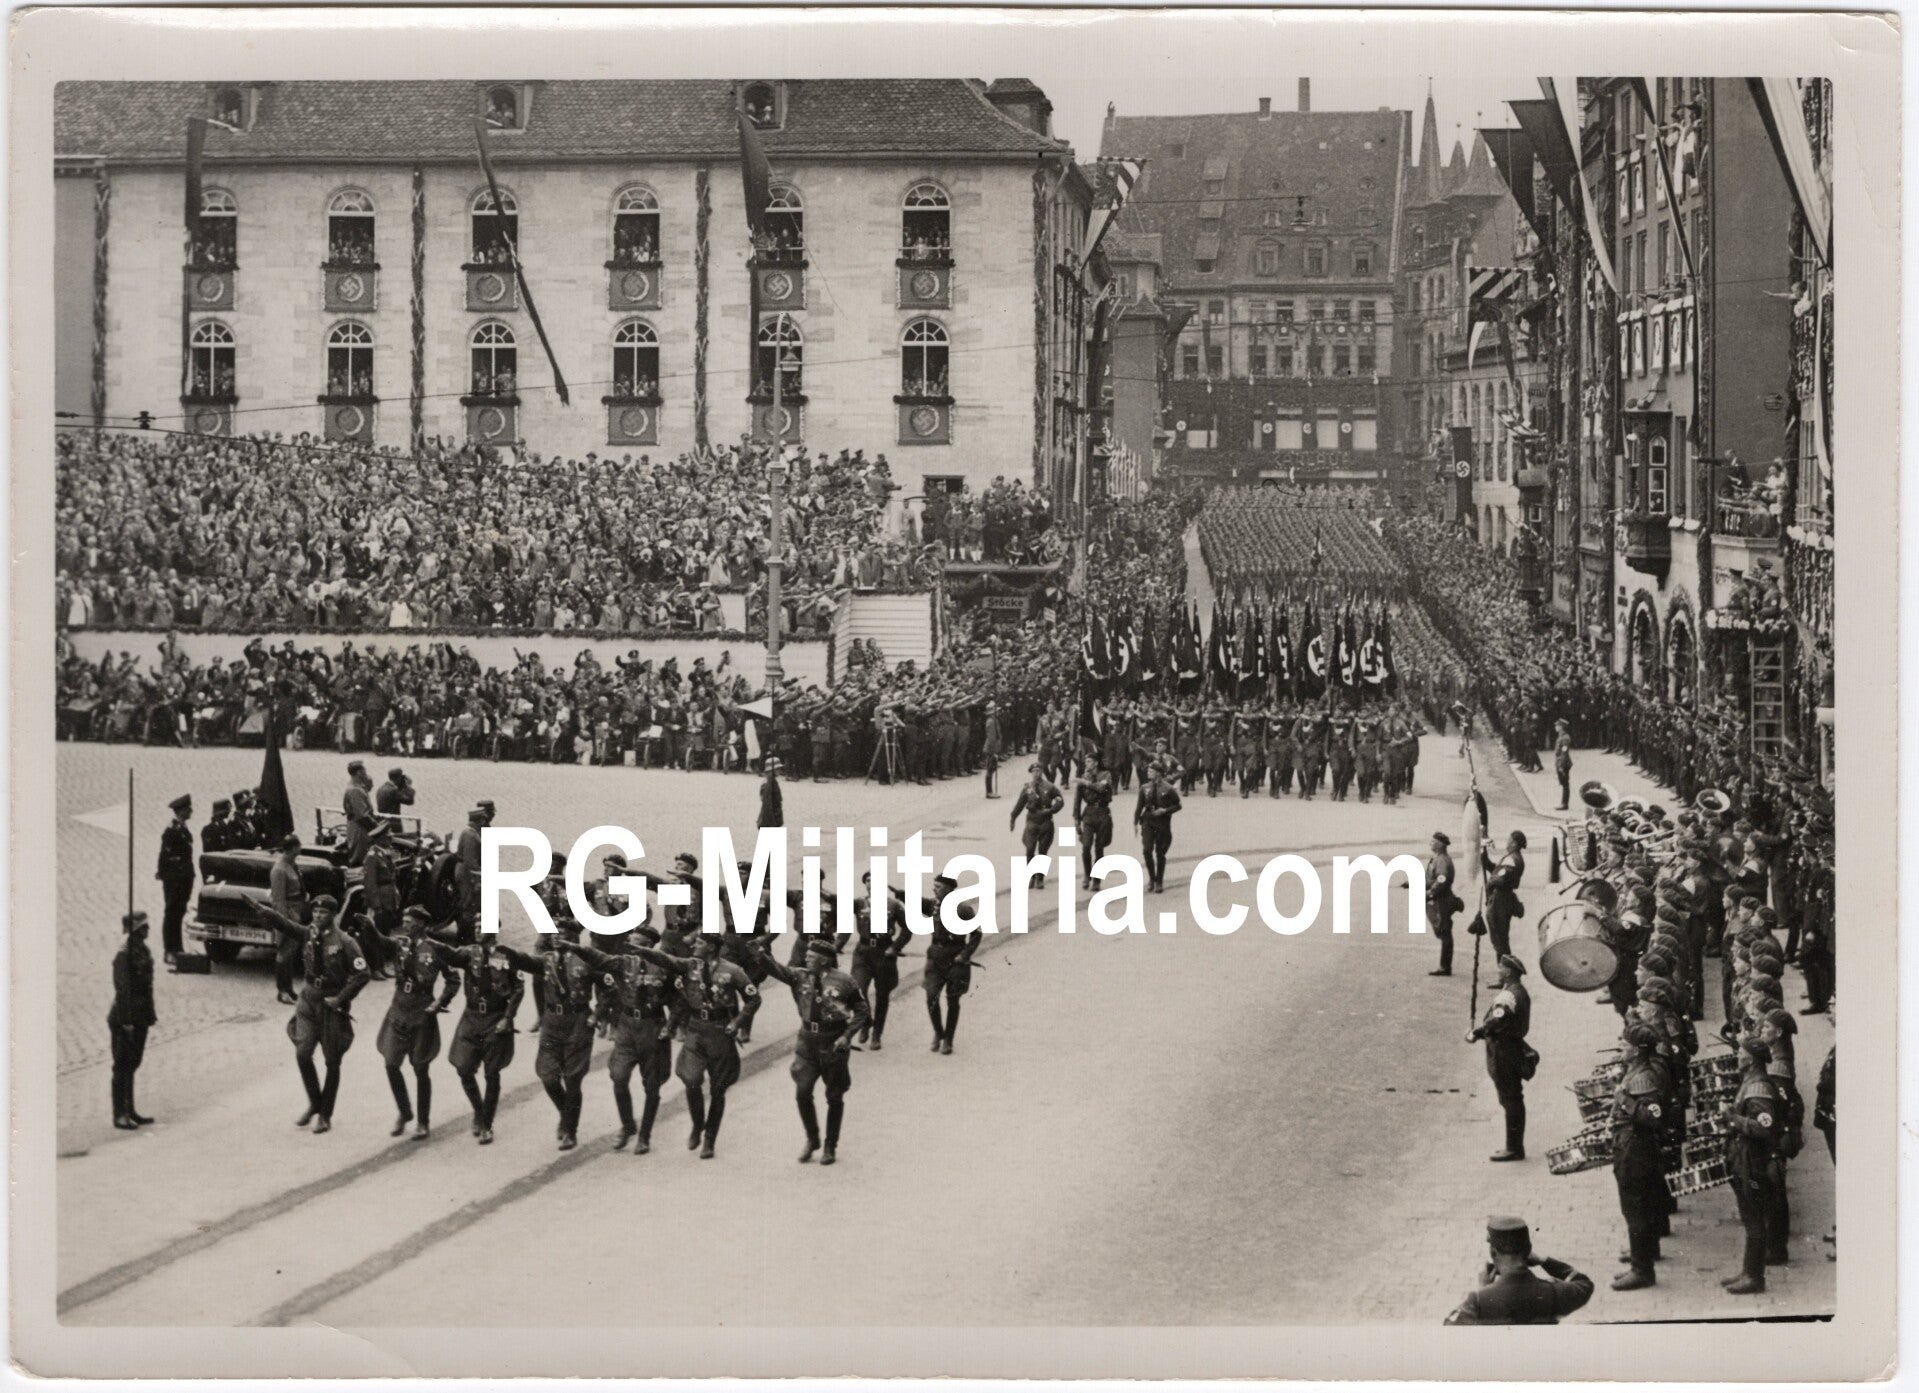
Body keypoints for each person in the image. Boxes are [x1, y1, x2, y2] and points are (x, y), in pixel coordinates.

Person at [248, 894, 370, 1134]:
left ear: (333, 915)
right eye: (314, 912)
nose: (317, 916)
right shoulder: (309, 934)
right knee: (303, 1053)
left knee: (332, 1060)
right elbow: (285, 924)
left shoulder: (345, 942)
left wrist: (341, 999)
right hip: (308, 999)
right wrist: (264, 911)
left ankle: (325, 1113)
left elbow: (362, 974)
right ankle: (315, 1102)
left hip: (331, 1002)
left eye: (323, 913)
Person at [633, 931, 761, 1158]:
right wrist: (643, 951)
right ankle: (697, 1123)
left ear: (711, 947)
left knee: (718, 1089)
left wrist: (738, 1022)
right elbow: (667, 960)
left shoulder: (732, 971)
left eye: (700, 943)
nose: (694, 945)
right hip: (695, 1029)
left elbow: (753, 998)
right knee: (690, 1079)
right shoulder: (690, 966)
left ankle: (709, 1139)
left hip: (720, 1031)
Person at [758, 935, 869, 1164]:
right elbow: (776, 969)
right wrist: (758, 953)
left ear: (824, 960)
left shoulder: (845, 981)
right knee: (802, 1091)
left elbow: (862, 1010)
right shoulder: (800, 977)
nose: (806, 958)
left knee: (834, 1096)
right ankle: (812, 1138)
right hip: (807, 1041)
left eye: (811, 956)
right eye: (806, 955)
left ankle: (830, 1145)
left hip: (833, 1041)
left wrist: (847, 1036)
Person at [563, 932, 676, 1154]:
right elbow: (599, 958)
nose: (631, 946)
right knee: (619, 1076)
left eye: (637, 943)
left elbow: (678, 999)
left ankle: (644, 1136)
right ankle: (627, 1126)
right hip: (626, 1027)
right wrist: (575, 947)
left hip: (652, 1026)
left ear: (650, 945)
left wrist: (671, 1026)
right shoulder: (623, 963)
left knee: (652, 1086)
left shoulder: (664, 966)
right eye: (631, 942)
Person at [500, 920, 601, 1150]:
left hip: (578, 1022)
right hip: (552, 1022)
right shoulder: (548, 960)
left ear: (574, 938)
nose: (556, 938)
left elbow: (608, 990)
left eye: (562, 934)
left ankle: (570, 1130)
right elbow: (527, 962)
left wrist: (599, 1014)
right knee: (548, 1076)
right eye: (555, 934)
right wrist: (510, 953)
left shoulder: (588, 960)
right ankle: (567, 1114)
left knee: (573, 1079)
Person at [364, 905, 460, 1140]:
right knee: (390, 1063)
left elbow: (453, 979)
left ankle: (423, 1121)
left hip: (421, 1010)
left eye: (409, 921)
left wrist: (439, 1003)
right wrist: (368, 927)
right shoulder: (401, 944)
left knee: (420, 1067)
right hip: (399, 1007)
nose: (405, 924)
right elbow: (382, 941)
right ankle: (404, 1111)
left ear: (421, 924)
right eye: (404, 920)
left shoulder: (436, 949)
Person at [444, 936, 526, 1145]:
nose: (477, 930)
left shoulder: (506, 955)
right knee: (463, 1068)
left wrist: (508, 1017)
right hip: (471, 1017)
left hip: (495, 1018)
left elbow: (518, 987)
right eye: (476, 926)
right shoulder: (469, 953)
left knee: (492, 1072)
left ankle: (487, 1124)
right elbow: (450, 955)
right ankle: (479, 1112)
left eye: (482, 926)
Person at [1609, 1021, 1672, 1290]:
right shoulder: (1636, 1071)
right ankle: (1644, 1253)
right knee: (1642, 1205)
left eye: (1625, 1043)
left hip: (1635, 1149)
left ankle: (1642, 1270)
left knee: (1634, 1208)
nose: (1621, 1046)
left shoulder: (1643, 1077)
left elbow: (1652, 1115)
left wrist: (1623, 1099)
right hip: (1633, 1146)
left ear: (1636, 1050)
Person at [1722, 1036, 1787, 1294]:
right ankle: (1748, 1271)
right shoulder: (1752, 1083)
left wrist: (1734, 1119)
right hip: (1748, 1159)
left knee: (1754, 1219)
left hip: (1754, 1162)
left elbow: (1763, 1127)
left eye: (1740, 1052)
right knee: (1751, 1218)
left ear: (1750, 1059)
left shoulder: (1758, 1089)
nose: (1738, 1056)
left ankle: (1754, 1277)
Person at [1443, 1217, 1593, 1324]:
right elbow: (1584, 1283)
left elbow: (1449, 1327)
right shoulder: (1554, 1292)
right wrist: (1544, 1261)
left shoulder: (1478, 1301)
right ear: (1528, 1250)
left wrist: (1484, 1291)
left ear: (1493, 1253)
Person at [1468, 954, 1532, 1161]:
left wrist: (1476, 1033)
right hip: (1510, 1048)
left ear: (1508, 972)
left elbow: (1495, 1022)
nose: (1498, 970)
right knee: (1512, 1097)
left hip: (1504, 1051)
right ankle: (1514, 1146)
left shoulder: (1508, 997)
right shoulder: (1516, 992)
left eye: (1501, 968)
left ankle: (1513, 1148)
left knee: (1510, 1098)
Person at [109, 910, 158, 1129]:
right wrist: (126, 1020)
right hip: (125, 1018)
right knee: (122, 1065)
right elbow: (122, 990)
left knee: (133, 1063)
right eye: (144, 927)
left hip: (140, 1016)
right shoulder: (124, 954)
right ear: (136, 930)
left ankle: (130, 1109)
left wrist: (149, 1015)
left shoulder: (141, 949)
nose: (148, 930)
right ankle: (119, 1113)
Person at [921, 875, 979, 1055]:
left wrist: (964, 955)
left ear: (948, 889)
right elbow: (916, 902)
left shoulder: (963, 909)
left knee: (953, 1000)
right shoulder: (934, 906)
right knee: (931, 997)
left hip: (956, 960)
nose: (934, 890)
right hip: (935, 958)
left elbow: (976, 934)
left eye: (937, 887)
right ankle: (939, 1032)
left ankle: (948, 1039)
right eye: (934, 886)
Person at [156, 793, 196, 966]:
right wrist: (168, 875)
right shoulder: (171, 831)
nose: (191, 811)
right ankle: (169, 951)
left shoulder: (182, 828)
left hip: (184, 878)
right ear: (181, 811)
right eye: (188, 809)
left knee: (179, 914)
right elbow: (164, 857)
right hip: (174, 879)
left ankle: (177, 948)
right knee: (171, 913)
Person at [268, 833, 307, 1004]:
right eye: (298, 846)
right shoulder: (279, 869)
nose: (300, 849)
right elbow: (278, 900)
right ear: (292, 848)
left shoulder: (292, 865)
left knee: (291, 953)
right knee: (284, 953)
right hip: (288, 914)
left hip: (296, 912)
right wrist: (282, 924)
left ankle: (289, 989)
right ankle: (282, 990)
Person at [1480, 829, 1527, 960]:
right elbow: (1497, 871)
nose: (1507, 843)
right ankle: (1504, 973)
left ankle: (1505, 973)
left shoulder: (1512, 859)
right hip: (1503, 898)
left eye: (1509, 840)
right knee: (1500, 938)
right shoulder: (1513, 858)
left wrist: (1490, 883)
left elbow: (1500, 879)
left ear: (1515, 843)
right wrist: (1485, 860)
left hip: (1500, 900)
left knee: (1499, 938)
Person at [1134, 768, 1182, 895]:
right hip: (1148, 821)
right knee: (1146, 850)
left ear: (1158, 773)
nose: (1148, 772)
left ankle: (1159, 881)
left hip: (1162, 822)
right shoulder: (1145, 787)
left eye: (1151, 771)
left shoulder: (1168, 788)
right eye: (1148, 770)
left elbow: (1178, 805)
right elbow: (1139, 806)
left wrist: (1165, 811)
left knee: (1160, 853)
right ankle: (1152, 878)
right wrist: (1135, 823)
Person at [1073, 763, 1116, 889]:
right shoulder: (1083, 777)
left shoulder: (1106, 775)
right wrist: (1076, 819)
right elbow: (1077, 800)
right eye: (1086, 761)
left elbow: (1102, 789)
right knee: (1086, 846)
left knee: (1099, 848)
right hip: (1089, 814)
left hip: (1103, 812)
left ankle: (1096, 880)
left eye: (1090, 761)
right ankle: (1087, 875)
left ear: (1096, 763)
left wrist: (1086, 783)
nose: (1087, 764)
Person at [1010, 765, 1064, 858]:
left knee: (1043, 851)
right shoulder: (1028, 788)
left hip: (1045, 820)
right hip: (1032, 820)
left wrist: (1052, 810)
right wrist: (1013, 817)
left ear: (1042, 771)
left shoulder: (1050, 787)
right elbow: (1020, 804)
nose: (1036, 773)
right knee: (1030, 849)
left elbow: (1060, 800)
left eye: (1038, 771)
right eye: (1034, 771)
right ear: (1031, 773)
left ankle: (1040, 872)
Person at [1425, 831, 1458, 977]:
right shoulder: (1437, 858)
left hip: (1442, 900)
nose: (1430, 844)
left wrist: (1430, 893)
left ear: (1439, 845)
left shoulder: (1442, 860)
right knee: (1443, 931)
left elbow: (1442, 879)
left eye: (1433, 842)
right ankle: (1445, 965)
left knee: (1444, 932)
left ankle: (1445, 966)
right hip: (1439, 899)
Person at [341, 760, 377, 867]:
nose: (366, 772)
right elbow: (362, 816)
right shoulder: (355, 790)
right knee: (360, 858)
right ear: (359, 772)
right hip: (360, 830)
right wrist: (377, 828)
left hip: (359, 827)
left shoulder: (356, 787)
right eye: (364, 770)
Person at [1553, 718, 1574, 810]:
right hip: (1560, 761)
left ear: (1561, 727)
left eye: (1557, 725)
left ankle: (1564, 803)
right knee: (1563, 783)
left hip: (1564, 762)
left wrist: (1561, 765)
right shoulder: (1561, 736)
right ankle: (1563, 803)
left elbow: (1564, 753)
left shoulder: (1565, 738)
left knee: (1565, 783)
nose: (1555, 727)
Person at [758, 757, 785, 830]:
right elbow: (767, 804)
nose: (780, 770)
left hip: (773, 819)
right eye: (777, 769)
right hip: (770, 821)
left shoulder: (771, 781)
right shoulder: (769, 783)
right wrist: (772, 823)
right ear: (772, 770)